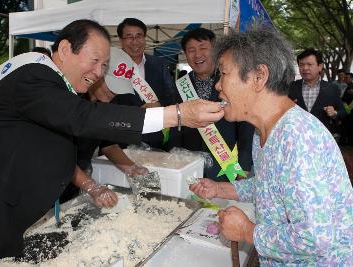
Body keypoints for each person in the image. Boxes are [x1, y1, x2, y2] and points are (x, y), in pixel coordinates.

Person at [0, 19, 224, 261]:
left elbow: (60, 145)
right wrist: (175, 114)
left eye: (104, 65)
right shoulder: (34, 76)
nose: (98, 72)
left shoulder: (59, 91)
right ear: (64, 50)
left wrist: (93, 185)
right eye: (94, 60)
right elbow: (83, 117)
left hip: (15, 209)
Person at [190, 26, 353, 265]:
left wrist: (247, 231)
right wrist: (220, 189)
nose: (217, 86)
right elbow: (269, 184)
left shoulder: (298, 139)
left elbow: (316, 238)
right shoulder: (263, 131)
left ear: (259, 77)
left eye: (223, 74)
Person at [169, 28, 254, 181]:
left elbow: (245, 125)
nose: (197, 55)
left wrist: (244, 165)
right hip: (188, 166)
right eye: (191, 50)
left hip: (226, 166)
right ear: (185, 55)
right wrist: (174, 158)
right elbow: (175, 126)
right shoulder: (180, 86)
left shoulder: (231, 81)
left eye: (203, 48)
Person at [116, 17, 177, 149]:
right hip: (124, 140)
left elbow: (172, 95)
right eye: (129, 37)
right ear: (121, 40)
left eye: (139, 36)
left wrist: (159, 104)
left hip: (157, 138)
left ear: (144, 38)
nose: (135, 41)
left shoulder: (158, 64)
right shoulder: (112, 67)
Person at [288, 48, 346, 133]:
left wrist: (334, 113)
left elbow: (343, 112)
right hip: (296, 137)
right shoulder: (290, 87)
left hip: (322, 138)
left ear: (320, 66)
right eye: (301, 65)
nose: (305, 68)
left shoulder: (332, 88)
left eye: (309, 64)